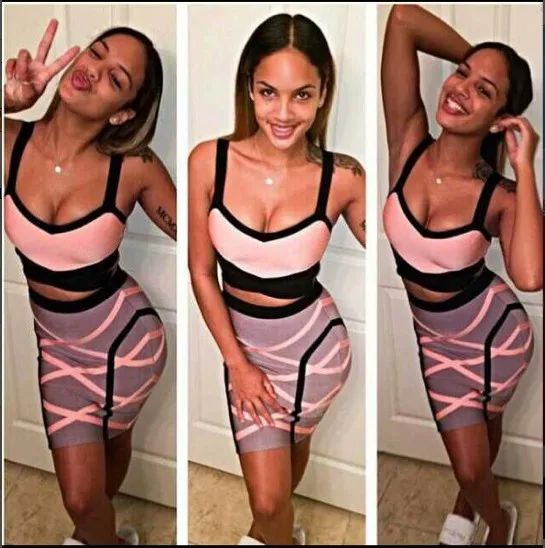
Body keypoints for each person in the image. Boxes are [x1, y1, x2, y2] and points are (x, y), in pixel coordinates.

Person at [189, 12, 365, 546]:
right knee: (266, 499)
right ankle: (276, 533)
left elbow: (397, 246)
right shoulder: (209, 162)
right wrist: (237, 364)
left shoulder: (343, 177)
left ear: (323, 93)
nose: (284, 114)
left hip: (316, 353)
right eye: (269, 92)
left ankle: (274, 535)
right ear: (249, 87)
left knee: (284, 467)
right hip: (245, 353)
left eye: (301, 95)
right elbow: (202, 271)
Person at [4, 19, 177, 546]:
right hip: (57, 350)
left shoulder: (134, 167)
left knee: (107, 449)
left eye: (116, 78)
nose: (94, 71)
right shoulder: (8, 142)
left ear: (122, 112)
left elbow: (204, 236)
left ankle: (99, 534)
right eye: (96, 54)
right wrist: (6, 101)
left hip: (127, 344)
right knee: (80, 497)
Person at [381, 5, 542, 546]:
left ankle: (496, 524)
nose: (460, 90)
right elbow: (403, 19)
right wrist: (478, 64)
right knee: (470, 465)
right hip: (437, 343)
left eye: (484, 91)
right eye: (461, 75)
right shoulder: (408, 140)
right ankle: (487, 509)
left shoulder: (499, 194)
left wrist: (525, 166)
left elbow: (529, 276)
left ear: (501, 118)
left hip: (498, 337)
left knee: (480, 440)